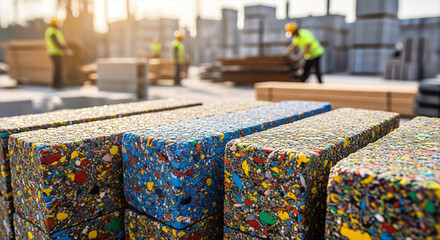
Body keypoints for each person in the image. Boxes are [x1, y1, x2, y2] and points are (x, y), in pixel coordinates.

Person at [45, 18, 72, 89]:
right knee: (58, 69)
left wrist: (65, 48)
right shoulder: (51, 31)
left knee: (57, 69)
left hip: (57, 53)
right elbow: (56, 42)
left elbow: (60, 42)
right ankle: (58, 85)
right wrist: (66, 49)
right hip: (55, 53)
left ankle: (56, 84)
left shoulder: (55, 31)